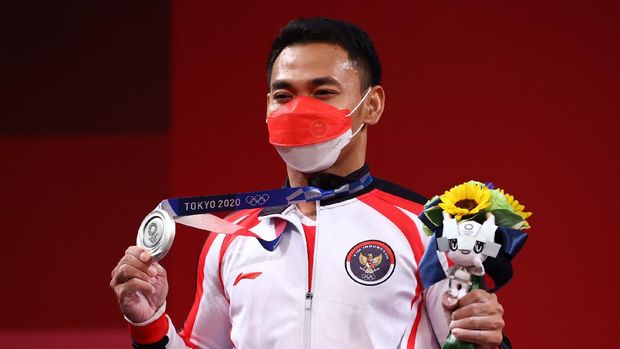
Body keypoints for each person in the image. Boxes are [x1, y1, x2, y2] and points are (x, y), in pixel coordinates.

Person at [110, 17, 508, 348]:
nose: (299, 109)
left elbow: (470, 340)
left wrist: (488, 338)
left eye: (323, 92)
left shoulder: (427, 230)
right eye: (283, 95)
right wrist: (150, 322)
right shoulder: (229, 238)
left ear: (371, 105)